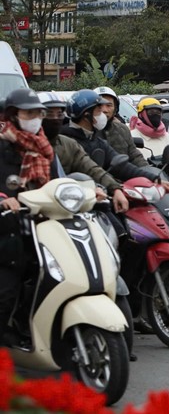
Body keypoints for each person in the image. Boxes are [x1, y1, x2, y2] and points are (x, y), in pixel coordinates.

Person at [0, 89, 129, 348]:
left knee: (53, 274)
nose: (36, 118)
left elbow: (56, 183)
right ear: (13, 116)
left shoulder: (43, 147)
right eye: (28, 113)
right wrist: (4, 197)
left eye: (38, 113)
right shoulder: (2, 146)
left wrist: (89, 191)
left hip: (42, 225)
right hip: (7, 227)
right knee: (8, 287)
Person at [63, 90, 168, 190]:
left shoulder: (96, 139)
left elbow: (123, 166)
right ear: (86, 115)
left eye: (109, 105)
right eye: (99, 110)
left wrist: (154, 178)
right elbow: (93, 170)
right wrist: (114, 188)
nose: (104, 111)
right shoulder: (66, 140)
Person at [94, 86, 148, 168]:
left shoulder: (122, 129)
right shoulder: (83, 132)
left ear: (116, 109)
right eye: (99, 105)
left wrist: (150, 172)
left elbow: (135, 157)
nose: (104, 110)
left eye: (109, 105)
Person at [129, 97, 169, 162]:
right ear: (141, 115)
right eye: (151, 112)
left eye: (158, 112)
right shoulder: (132, 136)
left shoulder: (166, 136)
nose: (155, 115)